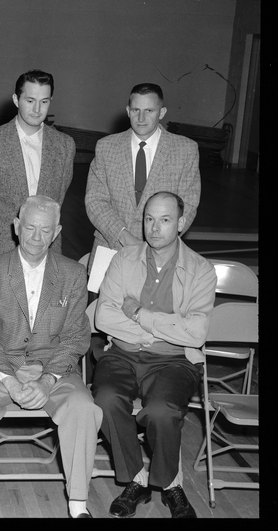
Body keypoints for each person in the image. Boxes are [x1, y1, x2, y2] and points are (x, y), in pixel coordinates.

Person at [0, 195, 100, 518]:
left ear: (57, 232)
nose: (37, 238)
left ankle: (79, 504)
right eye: (30, 228)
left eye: (45, 230)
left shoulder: (72, 274)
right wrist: (9, 381)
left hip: (54, 369)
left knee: (84, 407)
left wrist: (47, 378)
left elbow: (75, 337)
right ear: (16, 227)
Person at [93, 191, 216, 519]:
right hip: (122, 353)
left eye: (164, 219)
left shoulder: (201, 270)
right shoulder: (124, 259)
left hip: (174, 360)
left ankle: (171, 482)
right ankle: (136, 478)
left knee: (161, 411)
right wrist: (156, 330)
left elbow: (195, 333)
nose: (155, 227)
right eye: (149, 219)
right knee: (105, 398)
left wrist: (139, 314)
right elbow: (104, 316)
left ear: (181, 222)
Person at [85, 83, 201, 272]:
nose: (141, 118)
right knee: (103, 302)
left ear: (162, 112)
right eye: (136, 110)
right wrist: (124, 237)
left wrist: (157, 243)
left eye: (149, 110)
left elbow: (188, 204)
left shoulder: (185, 150)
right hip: (111, 247)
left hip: (161, 253)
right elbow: (94, 201)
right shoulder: (106, 147)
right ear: (128, 111)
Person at [0, 70, 75, 266]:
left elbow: (59, 197)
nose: (37, 109)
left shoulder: (64, 145)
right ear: (16, 99)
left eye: (44, 101)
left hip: (46, 248)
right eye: (30, 100)